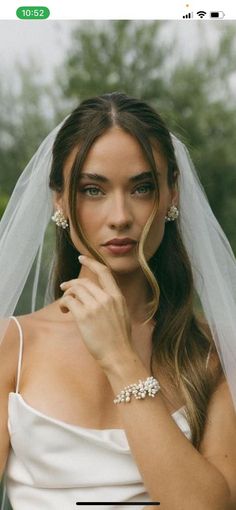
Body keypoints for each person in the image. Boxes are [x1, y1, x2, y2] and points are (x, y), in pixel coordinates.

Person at [0, 92, 235, 510]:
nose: (120, 216)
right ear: (59, 198)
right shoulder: (11, 347)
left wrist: (119, 360)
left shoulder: (214, 354)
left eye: (142, 188)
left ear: (171, 195)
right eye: (93, 190)